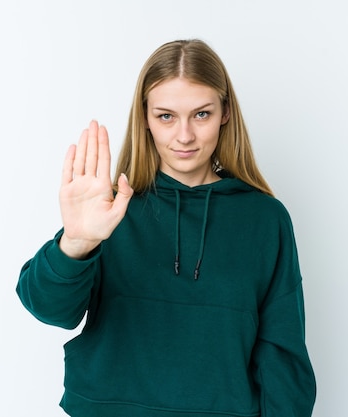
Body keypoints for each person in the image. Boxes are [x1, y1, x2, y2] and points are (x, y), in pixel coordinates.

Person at [16, 39, 316, 417]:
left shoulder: (264, 219)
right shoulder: (110, 208)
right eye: (166, 116)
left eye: (201, 114)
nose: (185, 136)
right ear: (145, 118)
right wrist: (77, 242)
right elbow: (50, 310)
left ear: (225, 113)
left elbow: (283, 354)